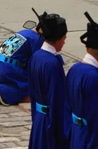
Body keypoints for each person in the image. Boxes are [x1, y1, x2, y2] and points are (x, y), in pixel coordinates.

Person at [66, 12, 98, 149]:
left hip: (78, 132)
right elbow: (94, 115)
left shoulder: (74, 69)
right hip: (92, 137)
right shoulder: (93, 76)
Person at [28, 10, 69, 149]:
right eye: (64, 37)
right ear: (58, 38)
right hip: (50, 123)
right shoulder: (52, 64)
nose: (65, 41)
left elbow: (32, 92)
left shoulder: (36, 56)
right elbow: (57, 100)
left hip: (39, 119)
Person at [0, 20, 44, 106]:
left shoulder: (24, 33)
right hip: (10, 68)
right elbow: (40, 61)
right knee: (34, 92)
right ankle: (5, 92)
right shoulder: (37, 39)